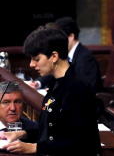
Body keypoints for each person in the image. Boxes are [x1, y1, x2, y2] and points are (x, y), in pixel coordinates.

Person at [1, 23, 101, 155]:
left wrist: (34, 148)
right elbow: (54, 130)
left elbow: (81, 142)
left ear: (54, 56)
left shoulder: (78, 87)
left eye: (36, 59)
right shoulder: (55, 82)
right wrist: (23, 134)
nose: (31, 64)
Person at [28, 16, 103, 93]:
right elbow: (53, 71)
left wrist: (58, 90)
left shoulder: (86, 58)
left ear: (71, 37)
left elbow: (86, 89)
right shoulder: (63, 53)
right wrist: (38, 83)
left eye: (59, 39)